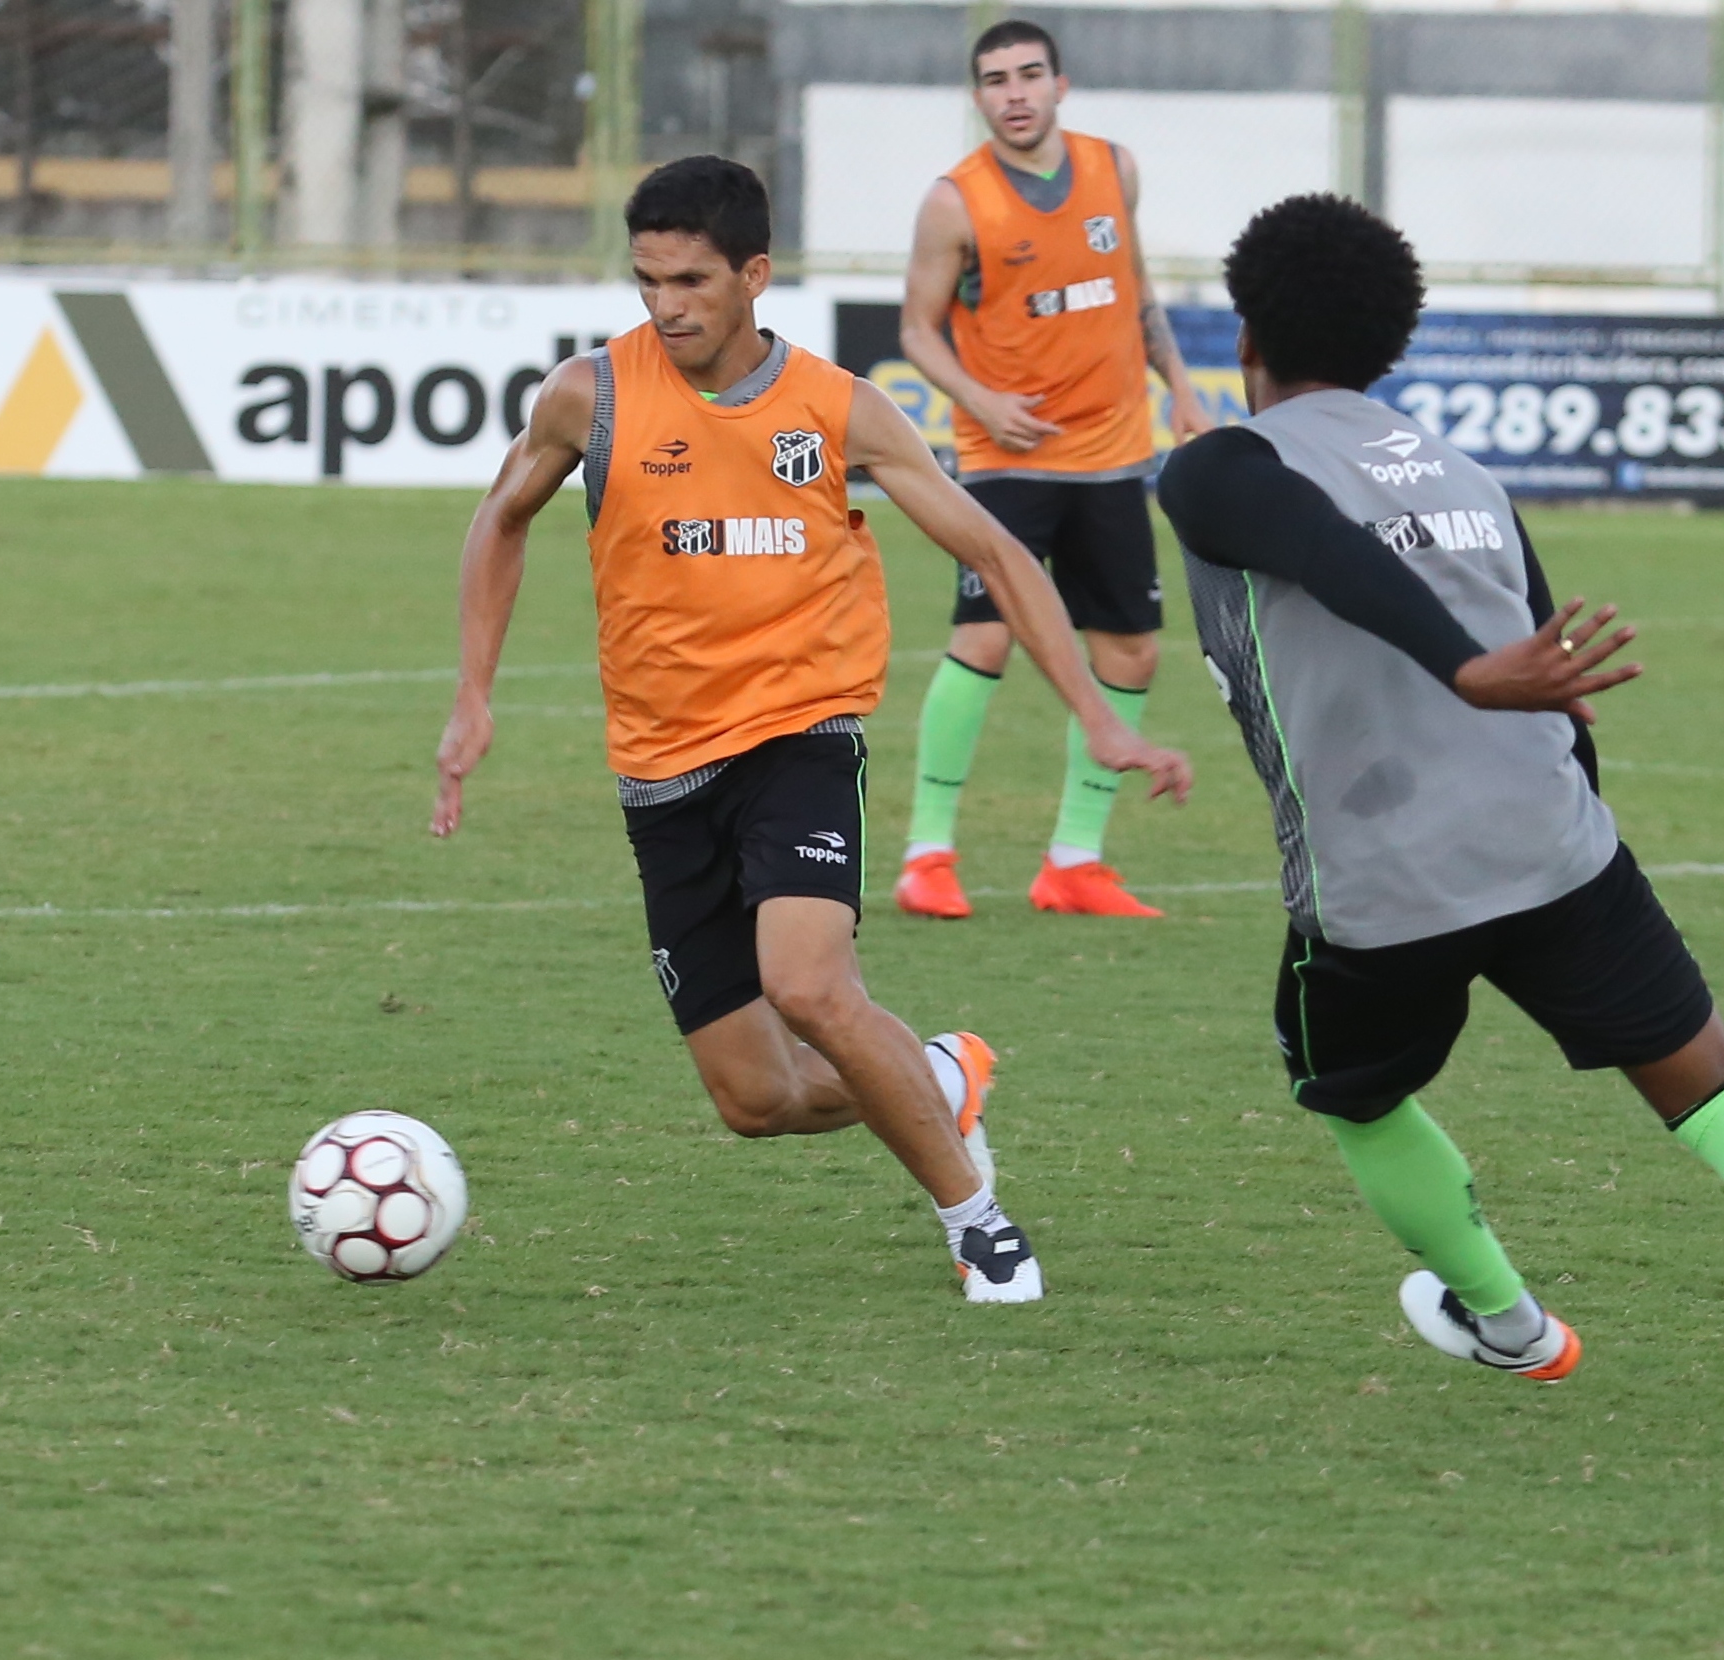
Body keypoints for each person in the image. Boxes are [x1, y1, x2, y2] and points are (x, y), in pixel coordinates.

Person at [1155, 194, 1724, 1470]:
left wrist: (1457, 671)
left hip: (1382, 882)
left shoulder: (1221, 470)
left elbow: (1323, 548)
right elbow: (1558, 682)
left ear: (1246, 333)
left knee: (1348, 1089)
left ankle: (1509, 1322)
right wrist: (1566, 796)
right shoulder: (1466, 477)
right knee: (1716, 1088)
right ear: (1390, 341)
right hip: (1558, 844)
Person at [428, 156, 1189, 1303]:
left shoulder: (839, 410)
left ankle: (979, 1226)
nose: (666, 305)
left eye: (690, 280)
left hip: (799, 737)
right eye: (646, 280)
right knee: (758, 1101)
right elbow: (500, 518)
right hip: (658, 768)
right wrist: (472, 695)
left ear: (754, 276)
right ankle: (935, 1076)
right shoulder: (591, 398)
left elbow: (992, 553)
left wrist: (1095, 714)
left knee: (810, 988)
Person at [890, 18, 1216, 921]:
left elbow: (1135, 291)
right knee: (986, 635)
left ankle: (1073, 862)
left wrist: (1181, 391)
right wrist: (981, 402)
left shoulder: (1117, 169)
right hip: (1005, 459)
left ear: (1060, 84)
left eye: (1030, 75)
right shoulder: (954, 202)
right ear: (978, 97)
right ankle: (927, 853)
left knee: (1132, 652)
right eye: (996, 80)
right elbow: (916, 327)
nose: (1015, 93)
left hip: (1113, 453)